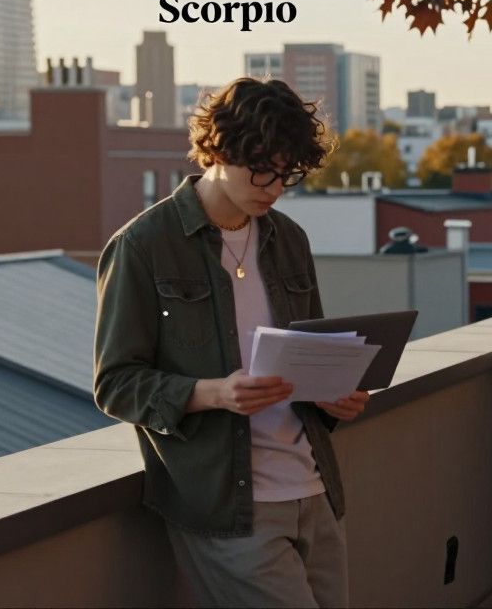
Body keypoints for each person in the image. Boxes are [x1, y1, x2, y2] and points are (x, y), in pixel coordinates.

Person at [93, 78, 368, 608]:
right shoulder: (143, 246)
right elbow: (115, 384)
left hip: (315, 489)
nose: (272, 186)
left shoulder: (288, 239)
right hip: (228, 506)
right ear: (218, 150)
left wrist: (337, 394)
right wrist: (215, 393)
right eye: (260, 168)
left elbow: (310, 354)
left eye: (285, 174)